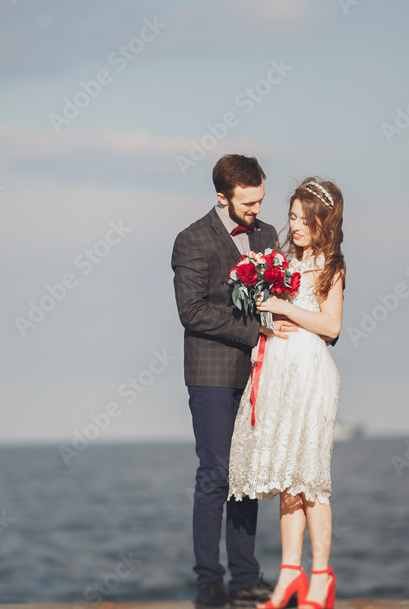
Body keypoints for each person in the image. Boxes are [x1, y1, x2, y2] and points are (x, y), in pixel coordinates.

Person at [171, 154, 291, 609]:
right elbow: (192, 312)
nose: (256, 211)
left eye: (260, 200)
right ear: (222, 197)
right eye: (247, 203)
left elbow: (278, 297)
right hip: (212, 375)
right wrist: (255, 329)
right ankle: (209, 584)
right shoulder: (191, 240)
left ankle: (246, 580)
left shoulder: (266, 235)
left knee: (247, 477)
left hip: (261, 373)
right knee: (215, 476)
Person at [227, 176, 346, 609]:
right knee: (286, 480)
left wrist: (283, 306)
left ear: (323, 222)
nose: (296, 226)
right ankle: (289, 573)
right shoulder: (279, 261)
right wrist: (264, 312)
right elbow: (269, 313)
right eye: (292, 216)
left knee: (311, 480)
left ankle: (321, 576)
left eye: (305, 219)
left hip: (311, 373)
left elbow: (331, 326)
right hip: (277, 371)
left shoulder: (332, 265)